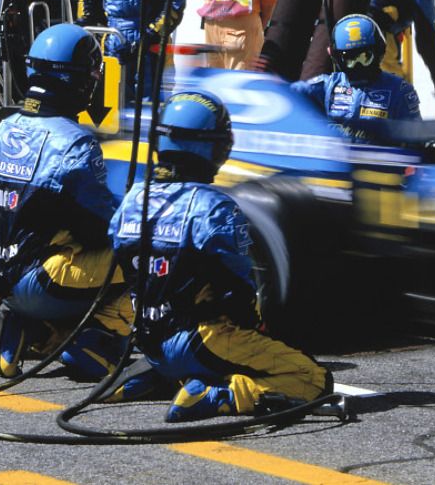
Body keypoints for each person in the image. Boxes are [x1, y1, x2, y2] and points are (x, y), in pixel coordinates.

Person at [108, 90, 332, 421]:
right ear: (209, 146)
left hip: (148, 339)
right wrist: (258, 333)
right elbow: (239, 294)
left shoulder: (133, 198)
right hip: (202, 339)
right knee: (313, 378)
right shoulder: (215, 207)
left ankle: (161, 374)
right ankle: (218, 396)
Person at [0, 24, 131, 379]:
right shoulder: (75, 143)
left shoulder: (4, 127)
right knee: (142, 252)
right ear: (78, 80)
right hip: (44, 282)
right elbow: (99, 228)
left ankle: (25, 323)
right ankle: (94, 341)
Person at [292, 14, 421, 141]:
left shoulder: (398, 90)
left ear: (378, 52)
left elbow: (417, 137)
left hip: (378, 160)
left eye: (365, 57)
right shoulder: (328, 85)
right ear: (337, 58)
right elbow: (290, 93)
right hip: (337, 159)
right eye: (350, 59)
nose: (358, 65)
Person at [78, 0, 186, 99]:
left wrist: (149, 36)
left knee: (150, 108)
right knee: (111, 103)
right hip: (113, 41)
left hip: (152, 45)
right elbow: (87, 0)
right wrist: (90, 30)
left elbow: (174, 4)